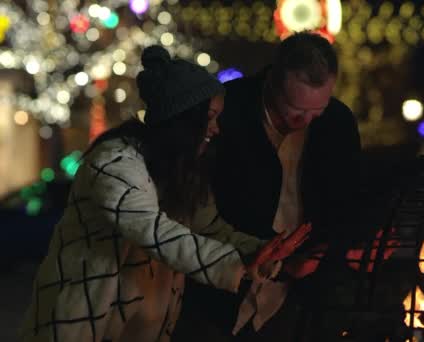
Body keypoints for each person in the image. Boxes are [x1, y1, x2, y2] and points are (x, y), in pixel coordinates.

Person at [18, 45, 307, 342]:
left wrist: (264, 251)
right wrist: (238, 265)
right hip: (80, 326)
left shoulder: (178, 170)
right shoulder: (114, 162)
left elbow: (210, 227)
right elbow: (155, 232)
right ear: (184, 119)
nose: (217, 128)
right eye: (210, 117)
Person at [175, 32, 362, 341]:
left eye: (317, 111)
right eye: (295, 109)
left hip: (297, 292)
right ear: (273, 80)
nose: (305, 120)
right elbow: (196, 203)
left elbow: (345, 199)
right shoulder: (227, 111)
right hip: (218, 284)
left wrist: (327, 253)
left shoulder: (336, 122)